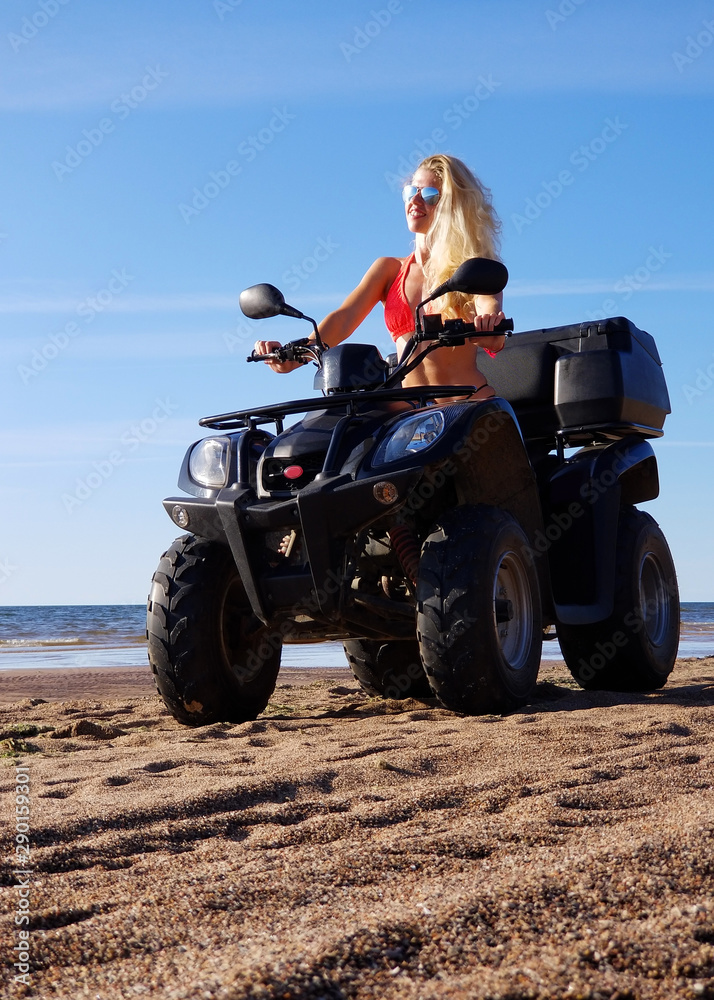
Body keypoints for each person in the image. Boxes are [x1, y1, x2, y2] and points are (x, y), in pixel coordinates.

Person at [253, 154, 505, 397]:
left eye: (429, 195)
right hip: (413, 417)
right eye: (411, 191)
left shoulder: (473, 269)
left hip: (467, 407)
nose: (415, 201)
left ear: (452, 205)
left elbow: (490, 309)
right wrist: (295, 355)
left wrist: (489, 328)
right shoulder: (389, 270)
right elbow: (343, 319)